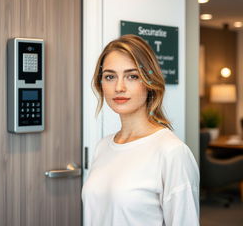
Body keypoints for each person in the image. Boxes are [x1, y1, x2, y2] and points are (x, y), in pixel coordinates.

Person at [81, 34, 199, 226]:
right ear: (100, 84)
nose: (119, 87)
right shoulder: (103, 146)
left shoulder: (172, 152)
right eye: (110, 77)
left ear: (149, 82)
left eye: (132, 76)